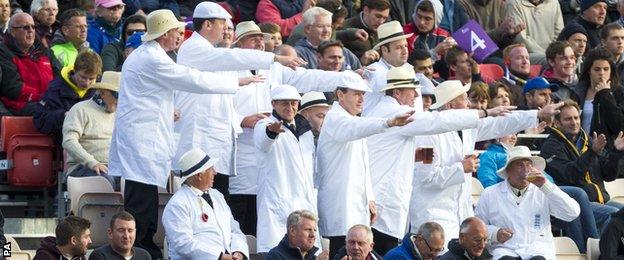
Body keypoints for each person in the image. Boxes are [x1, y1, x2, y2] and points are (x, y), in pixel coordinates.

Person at [108, 9, 243, 259]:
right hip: (142, 141)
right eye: (177, 32)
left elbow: (150, 95)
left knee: (146, 199)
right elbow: (191, 79)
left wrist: (170, 109)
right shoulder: (152, 58)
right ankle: (140, 250)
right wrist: (235, 84)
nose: (180, 36)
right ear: (165, 34)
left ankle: (144, 248)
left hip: (147, 137)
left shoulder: (153, 55)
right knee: (142, 202)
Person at [228, 21, 359, 237]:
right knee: (246, 222)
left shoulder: (274, 69)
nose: (260, 42)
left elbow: (308, 77)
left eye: (262, 38)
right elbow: (215, 106)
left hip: (276, 157)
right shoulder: (229, 70)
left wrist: (345, 77)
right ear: (239, 43)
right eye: (254, 38)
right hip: (242, 155)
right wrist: (241, 119)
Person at [173, 4, 300, 201]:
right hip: (198, 141)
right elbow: (232, 56)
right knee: (197, 205)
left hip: (215, 143)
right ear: (207, 24)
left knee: (217, 203)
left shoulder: (209, 49)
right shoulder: (194, 48)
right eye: (222, 25)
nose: (226, 31)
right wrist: (274, 58)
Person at [366, 67, 495, 255]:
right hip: (431, 215)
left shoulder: (466, 131)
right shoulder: (425, 136)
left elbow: (496, 126)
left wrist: (533, 116)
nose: (468, 104)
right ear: (450, 106)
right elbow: (425, 177)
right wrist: (461, 168)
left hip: (457, 214)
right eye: (463, 99)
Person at [316, 76, 414, 259]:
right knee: (342, 253)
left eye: (363, 94)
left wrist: (370, 197)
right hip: (340, 205)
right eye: (356, 94)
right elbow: (355, 127)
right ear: (340, 95)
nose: (362, 99)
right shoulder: (335, 118)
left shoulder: (353, 119)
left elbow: (363, 166)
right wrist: (388, 122)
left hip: (356, 206)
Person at [476, 146, 580, 259]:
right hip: (505, 249)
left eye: (529, 165)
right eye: (520, 165)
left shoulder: (544, 190)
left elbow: (572, 213)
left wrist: (546, 186)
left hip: (538, 250)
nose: (526, 169)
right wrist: (495, 234)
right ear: (508, 170)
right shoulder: (490, 193)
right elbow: (478, 227)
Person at [254, 85, 320, 252]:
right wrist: (272, 133)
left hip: (304, 201)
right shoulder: (264, 124)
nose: (290, 108)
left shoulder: (305, 130)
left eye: (293, 103)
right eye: (284, 103)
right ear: (274, 104)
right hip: (278, 201)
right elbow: (263, 140)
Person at [540, 100, 624, 230]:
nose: (574, 123)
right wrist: (591, 153)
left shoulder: (589, 141)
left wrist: (616, 153)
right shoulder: (550, 147)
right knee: (614, 215)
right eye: (568, 119)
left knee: (619, 211)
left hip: (602, 201)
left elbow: (609, 175)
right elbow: (570, 175)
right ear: (557, 123)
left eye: (576, 117)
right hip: (575, 206)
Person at [162, 148, 248, 259]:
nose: (215, 172)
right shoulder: (177, 204)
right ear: (199, 175)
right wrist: (219, 256)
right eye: (211, 168)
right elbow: (183, 244)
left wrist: (239, 252)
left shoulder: (217, 196)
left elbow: (234, 229)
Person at [62, 71, 120, 187]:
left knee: (138, 182)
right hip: (82, 167)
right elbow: (69, 141)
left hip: (114, 168)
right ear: (103, 93)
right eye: (118, 96)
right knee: (103, 180)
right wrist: (92, 163)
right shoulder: (80, 109)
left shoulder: (121, 113)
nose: (121, 101)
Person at [34, 50, 102, 144]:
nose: (87, 83)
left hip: (94, 139)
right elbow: (40, 120)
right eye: (83, 77)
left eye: (91, 79)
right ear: (75, 70)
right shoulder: (56, 89)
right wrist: (64, 115)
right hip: (66, 142)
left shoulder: (99, 90)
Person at [2, 12, 58, 116]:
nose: (31, 30)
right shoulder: (4, 52)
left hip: (47, 101)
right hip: (20, 106)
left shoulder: (44, 50)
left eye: (33, 27)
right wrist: (43, 97)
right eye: (25, 27)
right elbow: (13, 88)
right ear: (13, 31)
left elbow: (60, 75)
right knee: (55, 113)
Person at [362, 21, 421, 115]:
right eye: (399, 47)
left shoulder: (410, 71)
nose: (405, 51)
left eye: (405, 46)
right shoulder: (373, 72)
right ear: (384, 50)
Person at [574, 47, 624, 144]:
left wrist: (605, 94)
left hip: (608, 150)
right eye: (597, 69)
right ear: (589, 71)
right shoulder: (578, 92)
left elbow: (620, 127)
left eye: (606, 69)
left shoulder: (619, 92)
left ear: (611, 70)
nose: (602, 73)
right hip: (581, 147)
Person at [294, 7, 362, 70]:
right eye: (320, 26)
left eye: (329, 26)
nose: (326, 31)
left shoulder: (344, 52)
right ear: (307, 29)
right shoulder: (298, 54)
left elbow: (360, 75)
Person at [341, 0, 389, 64]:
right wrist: (360, 61)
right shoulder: (343, 28)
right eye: (378, 16)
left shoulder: (386, 28)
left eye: (385, 18)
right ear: (366, 10)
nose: (381, 22)